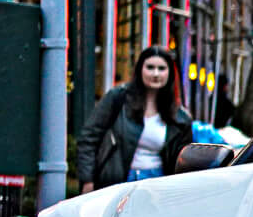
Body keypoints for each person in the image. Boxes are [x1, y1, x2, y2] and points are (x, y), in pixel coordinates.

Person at [77, 47, 194, 189]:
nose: (155, 73)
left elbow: (183, 163)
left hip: (156, 184)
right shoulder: (118, 98)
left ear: (170, 73)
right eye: (150, 67)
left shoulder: (180, 118)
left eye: (162, 68)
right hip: (115, 183)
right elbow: (89, 138)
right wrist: (87, 180)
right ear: (140, 69)